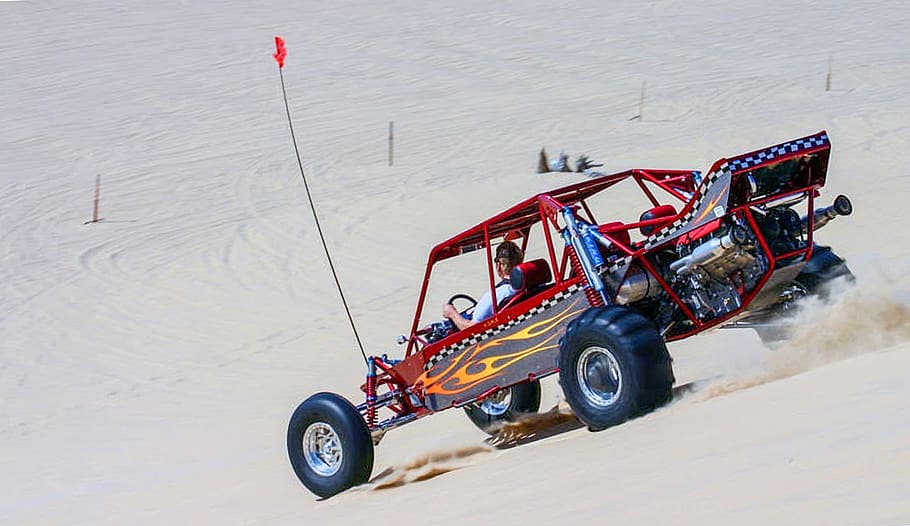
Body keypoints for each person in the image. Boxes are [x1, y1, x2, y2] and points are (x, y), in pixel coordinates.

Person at [443, 240, 524, 330]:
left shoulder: (496, 295)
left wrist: (452, 313)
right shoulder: (527, 285)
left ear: (499, 266)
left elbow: (472, 329)